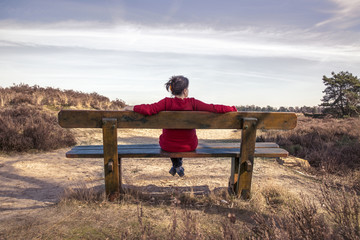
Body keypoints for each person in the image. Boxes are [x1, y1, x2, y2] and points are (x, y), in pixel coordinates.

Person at [124, 75, 237, 177]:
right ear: (185, 91)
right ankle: (178, 165)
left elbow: (149, 109)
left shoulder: (166, 102)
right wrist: (232, 109)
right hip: (189, 146)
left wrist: (131, 107)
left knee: (170, 140)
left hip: (167, 146)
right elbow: (213, 108)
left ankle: (177, 165)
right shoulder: (193, 103)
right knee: (182, 139)